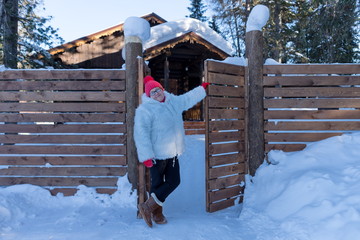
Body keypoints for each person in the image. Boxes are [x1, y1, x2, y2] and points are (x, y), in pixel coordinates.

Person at [134, 75, 209, 228]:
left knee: (174, 181)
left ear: (162, 89)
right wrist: (146, 155)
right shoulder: (145, 110)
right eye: (152, 92)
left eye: (158, 90)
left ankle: (147, 206)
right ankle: (157, 213)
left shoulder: (172, 102)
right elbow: (141, 133)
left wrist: (201, 89)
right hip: (156, 155)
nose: (156, 93)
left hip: (173, 152)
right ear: (148, 95)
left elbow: (187, 99)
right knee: (157, 184)